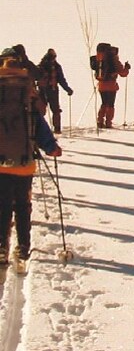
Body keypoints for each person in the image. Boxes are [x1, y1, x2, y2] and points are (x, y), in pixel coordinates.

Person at [0, 48, 62, 264]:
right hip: (24, 162)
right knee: (22, 205)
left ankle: (1, 246)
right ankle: (23, 246)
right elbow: (41, 128)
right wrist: (52, 147)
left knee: (3, 204)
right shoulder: (28, 99)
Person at [90, 43, 131, 129]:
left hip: (101, 85)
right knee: (110, 104)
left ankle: (100, 121)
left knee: (104, 103)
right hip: (111, 85)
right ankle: (108, 122)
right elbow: (123, 73)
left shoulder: (98, 59)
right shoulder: (113, 59)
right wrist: (127, 68)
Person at [37, 48, 74, 134]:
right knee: (55, 110)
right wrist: (68, 89)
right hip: (52, 90)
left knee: (41, 110)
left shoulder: (41, 66)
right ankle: (56, 129)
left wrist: (67, 89)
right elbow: (61, 80)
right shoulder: (56, 67)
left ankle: (39, 128)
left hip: (43, 90)